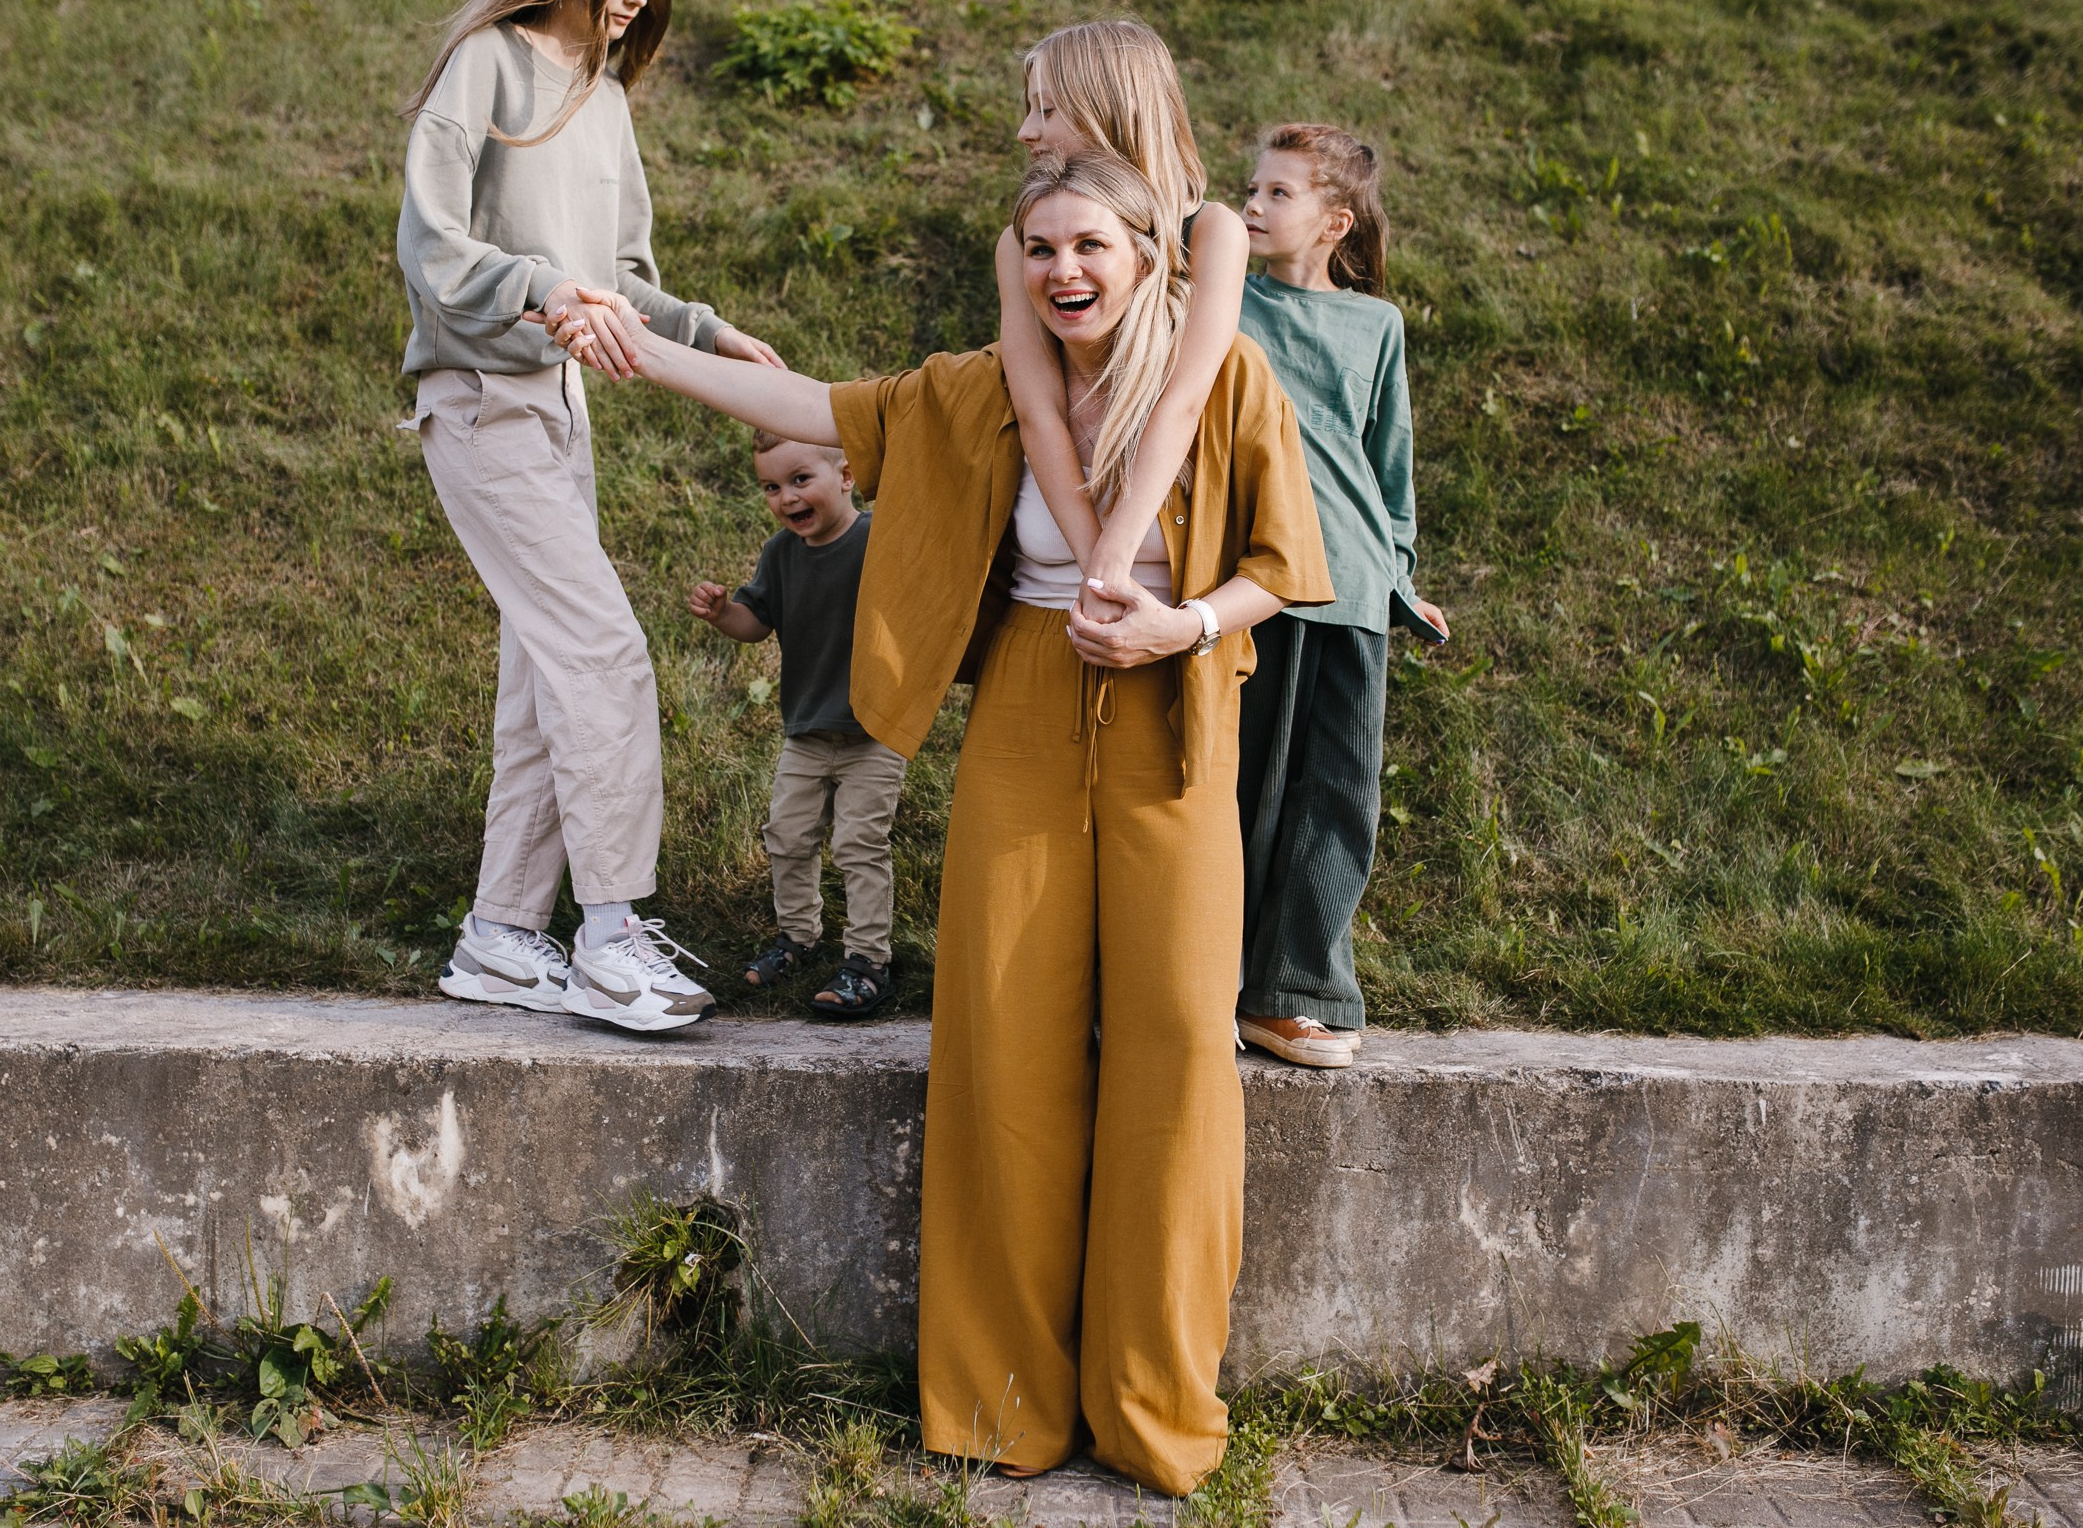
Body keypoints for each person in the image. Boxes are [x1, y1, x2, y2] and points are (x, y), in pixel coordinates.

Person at [555, 152, 1332, 1497]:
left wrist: (1185, 622)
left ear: (1146, 255)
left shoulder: (1224, 378)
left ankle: (1153, 1406)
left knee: (1174, 1055)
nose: (1063, 271)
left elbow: (1283, 560)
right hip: (1028, 706)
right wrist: (642, 348)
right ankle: (1002, 1401)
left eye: (1089, 245)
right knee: (1003, 1046)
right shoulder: (980, 390)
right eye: (1040, 250)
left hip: (1179, 713)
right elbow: (809, 405)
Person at [393, 0, 784, 1031]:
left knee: (543, 674)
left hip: (561, 409)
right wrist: (540, 287)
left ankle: (501, 935)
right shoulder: (486, 62)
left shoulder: (605, 100)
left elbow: (615, 281)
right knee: (604, 653)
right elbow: (433, 246)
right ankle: (611, 938)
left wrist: (709, 331)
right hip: (480, 400)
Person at [1232, 124, 1451, 1068]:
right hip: (1251, 587)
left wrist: (1401, 580)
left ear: (1335, 222)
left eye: (1279, 193)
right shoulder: (1220, 302)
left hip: (1354, 589)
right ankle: (1205, 983)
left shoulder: (1377, 325)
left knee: (1336, 797)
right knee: (1237, 791)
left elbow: (1388, 470)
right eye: (1251, 187)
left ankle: (1294, 995)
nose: (1252, 204)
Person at [996, 20, 1249, 637]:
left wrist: (1117, 552)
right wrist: (1099, 573)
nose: (1025, 130)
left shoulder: (1210, 231)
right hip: (1062, 512)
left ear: (1109, 111)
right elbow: (1037, 410)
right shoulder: (1018, 241)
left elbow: (1184, 398)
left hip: (1190, 521)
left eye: (1047, 110)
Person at [685, 432, 907, 1016]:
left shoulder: (877, 539)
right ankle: (798, 939)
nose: (786, 498)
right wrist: (723, 614)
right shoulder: (781, 553)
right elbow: (755, 623)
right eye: (771, 487)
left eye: (800, 480)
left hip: (873, 731)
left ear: (847, 476)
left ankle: (868, 961)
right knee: (787, 837)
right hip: (806, 731)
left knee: (859, 844)